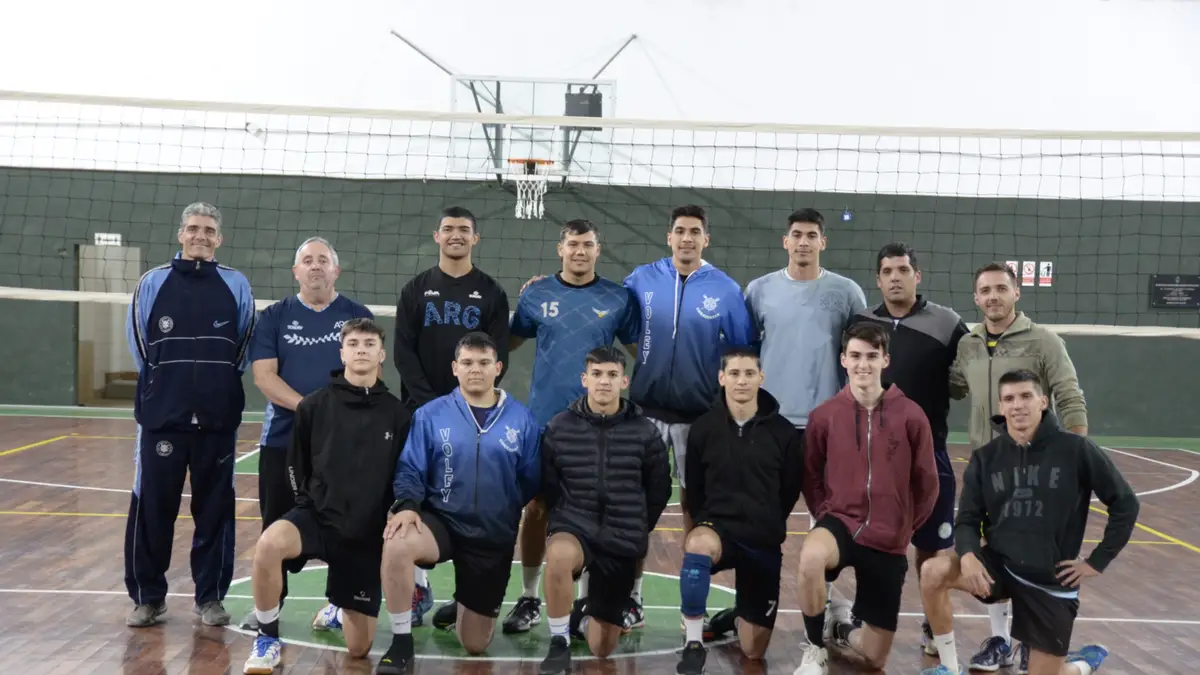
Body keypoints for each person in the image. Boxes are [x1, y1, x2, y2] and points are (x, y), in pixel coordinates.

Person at [918, 368, 1136, 675]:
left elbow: (1125, 503)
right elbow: (967, 518)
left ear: (1043, 402)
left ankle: (1082, 664)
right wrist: (967, 554)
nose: (1017, 405)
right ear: (1001, 406)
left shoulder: (1075, 449)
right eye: (1009, 399)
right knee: (933, 571)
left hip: (1049, 579)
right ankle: (949, 668)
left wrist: (1097, 561)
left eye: (1026, 396)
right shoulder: (986, 457)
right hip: (1000, 567)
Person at [241, 318, 410, 675]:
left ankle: (337, 606)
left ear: (381, 354)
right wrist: (308, 503)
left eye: (369, 344)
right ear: (342, 353)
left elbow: (402, 476)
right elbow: (295, 466)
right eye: (353, 344)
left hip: (364, 533)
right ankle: (267, 637)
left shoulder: (397, 414)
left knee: (359, 650)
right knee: (269, 544)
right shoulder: (314, 405)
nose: (361, 350)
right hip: (317, 516)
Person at [501, 219, 639, 636]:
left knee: (597, 510)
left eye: (588, 245)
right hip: (545, 422)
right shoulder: (536, 293)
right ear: (560, 249)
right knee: (536, 508)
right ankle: (529, 597)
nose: (580, 251)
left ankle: (586, 602)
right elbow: (508, 342)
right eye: (573, 244)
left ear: (598, 250)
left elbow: (639, 351)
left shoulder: (619, 297)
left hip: (600, 425)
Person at [950, 261, 1089, 672]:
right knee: (994, 549)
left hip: (1036, 467)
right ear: (976, 298)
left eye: (1000, 288)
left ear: (1016, 293)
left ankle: (1034, 640)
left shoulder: (1044, 341)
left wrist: (1074, 457)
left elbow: (1069, 395)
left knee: (1036, 553)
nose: (993, 296)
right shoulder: (968, 344)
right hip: (989, 467)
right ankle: (1000, 640)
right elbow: (955, 385)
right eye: (985, 290)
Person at [622, 204, 755, 630]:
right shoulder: (641, 279)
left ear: (705, 239)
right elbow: (617, 318)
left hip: (699, 416)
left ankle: (690, 605)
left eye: (695, 231)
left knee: (695, 508)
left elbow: (742, 349)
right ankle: (632, 597)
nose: (686, 238)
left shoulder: (726, 289)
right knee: (636, 506)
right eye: (680, 230)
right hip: (646, 411)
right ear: (669, 236)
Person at [123, 202, 255, 628]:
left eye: (209, 230)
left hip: (217, 420)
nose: (201, 235)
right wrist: (165, 387)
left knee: (215, 509)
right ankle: (148, 597)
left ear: (220, 239)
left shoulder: (236, 284)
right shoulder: (152, 282)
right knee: (152, 508)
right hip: (163, 418)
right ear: (181, 234)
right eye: (194, 228)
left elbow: (243, 346)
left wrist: (213, 386)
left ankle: (210, 597)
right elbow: (141, 347)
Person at [376, 332, 541, 673]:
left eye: (483, 363)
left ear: (498, 367)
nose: (475, 369)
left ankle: (464, 601)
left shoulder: (522, 420)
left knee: (475, 645)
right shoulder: (431, 414)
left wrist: (501, 510)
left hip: (492, 534)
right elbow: (410, 468)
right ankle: (401, 642)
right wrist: (407, 505)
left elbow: (530, 479)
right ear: (455, 368)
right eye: (467, 362)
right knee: (397, 541)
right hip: (443, 522)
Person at [242, 236, 375, 631]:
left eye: (323, 260)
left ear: (336, 270)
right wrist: (310, 410)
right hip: (284, 440)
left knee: (347, 526)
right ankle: (270, 608)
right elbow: (264, 376)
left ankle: (339, 604)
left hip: (341, 443)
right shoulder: (274, 316)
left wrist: (335, 417)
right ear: (296, 271)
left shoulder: (356, 314)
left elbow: (368, 373)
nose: (315, 266)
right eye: (308, 260)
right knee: (275, 525)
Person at [794, 322, 939, 675]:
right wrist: (825, 513)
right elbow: (810, 474)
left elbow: (927, 483)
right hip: (840, 523)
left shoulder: (912, 415)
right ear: (843, 359)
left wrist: (906, 527)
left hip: (889, 536)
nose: (863, 364)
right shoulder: (824, 416)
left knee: (874, 658)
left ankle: (839, 627)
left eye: (872, 356)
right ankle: (814, 648)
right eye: (855, 356)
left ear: (885, 360)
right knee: (811, 556)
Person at [845, 242, 969, 653]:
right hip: (872, 454)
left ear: (917, 275)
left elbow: (973, 374)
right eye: (887, 272)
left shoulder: (948, 324)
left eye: (902, 270)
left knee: (931, 547)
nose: (895, 278)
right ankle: (865, 613)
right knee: (869, 539)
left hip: (929, 453)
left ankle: (934, 626)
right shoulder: (860, 321)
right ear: (878, 280)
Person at [392, 205, 509, 622]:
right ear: (437, 236)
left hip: (474, 417)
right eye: (448, 228)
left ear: (475, 238)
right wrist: (432, 404)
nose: (455, 235)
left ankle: (466, 594)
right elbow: (403, 353)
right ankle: (418, 589)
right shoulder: (416, 289)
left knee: (469, 500)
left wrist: (463, 406)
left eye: (463, 229)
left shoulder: (491, 293)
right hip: (422, 412)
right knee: (416, 494)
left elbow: (497, 355)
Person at [536, 346, 672, 674]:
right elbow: (548, 486)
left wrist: (636, 527)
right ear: (584, 379)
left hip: (620, 537)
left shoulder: (645, 431)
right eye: (596, 374)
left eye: (612, 375)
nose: (604, 381)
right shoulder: (559, 427)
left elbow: (659, 491)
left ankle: (583, 613)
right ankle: (559, 642)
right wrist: (562, 520)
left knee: (601, 648)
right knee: (558, 556)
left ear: (624, 381)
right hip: (575, 525)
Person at [675, 347, 804, 675]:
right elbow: (694, 490)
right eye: (734, 373)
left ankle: (734, 617)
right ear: (722, 378)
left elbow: (789, 490)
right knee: (697, 545)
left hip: (762, 540)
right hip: (719, 531)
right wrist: (704, 523)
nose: (742, 381)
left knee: (753, 652)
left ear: (761, 377)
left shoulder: (785, 433)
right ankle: (693, 644)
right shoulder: (703, 428)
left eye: (749, 374)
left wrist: (768, 520)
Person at [744, 208, 867, 432]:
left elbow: (862, 353)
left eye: (811, 236)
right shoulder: (758, 290)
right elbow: (746, 351)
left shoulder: (848, 291)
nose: (803, 242)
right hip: (770, 415)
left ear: (823, 242)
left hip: (827, 417)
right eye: (797, 235)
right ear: (785, 241)